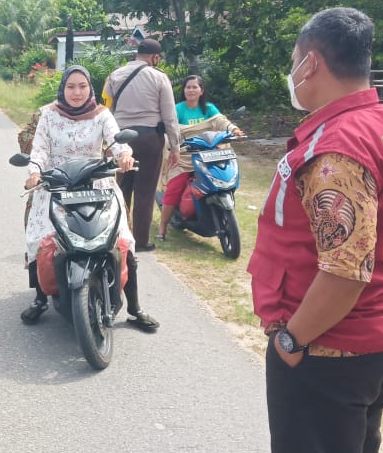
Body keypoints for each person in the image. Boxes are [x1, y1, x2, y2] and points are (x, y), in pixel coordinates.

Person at [247, 7, 383, 453]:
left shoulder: (336, 150)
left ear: (311, 64)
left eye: (293, 60)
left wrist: (291, 341)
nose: (292, 71)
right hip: (378, 340)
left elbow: (346, 269)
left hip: (329, 350)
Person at [20, 65, 159, 331]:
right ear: (63, 88)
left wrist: (124, 155)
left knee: (123, 240)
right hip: (57, 184)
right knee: (39, 236)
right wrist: (35, 172)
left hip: (97, 182)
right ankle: (40, 298)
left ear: (90, 88)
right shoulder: (48, 115)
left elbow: (117, 142)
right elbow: (39, 150)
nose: (76, 92)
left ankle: (134, 307)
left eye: (82, 86)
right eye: (71, 86)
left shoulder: (102, 114)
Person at [103, 38, 180, 251]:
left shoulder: (114, 76)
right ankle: (140, 240)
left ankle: (117, 234)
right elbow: (170, 117)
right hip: (149, 138)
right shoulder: (159, 77)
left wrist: (108, 140)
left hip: (121, 138)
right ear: (155, 57)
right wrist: (175, 147)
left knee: (122, 187)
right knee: (145, 191)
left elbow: (106, 109)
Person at [155, 76, 245, 240]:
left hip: (208, 156)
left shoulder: (209, 108)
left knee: (224, 178)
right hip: (185, 157)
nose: (191, 90)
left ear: (201, 90)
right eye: (188, 87)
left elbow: (221, 122)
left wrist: (234, 130)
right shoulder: (178, 109)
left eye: (194, 87)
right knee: (175, 187)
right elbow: (171, 128)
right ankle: (162, 228)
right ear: (184, 90)